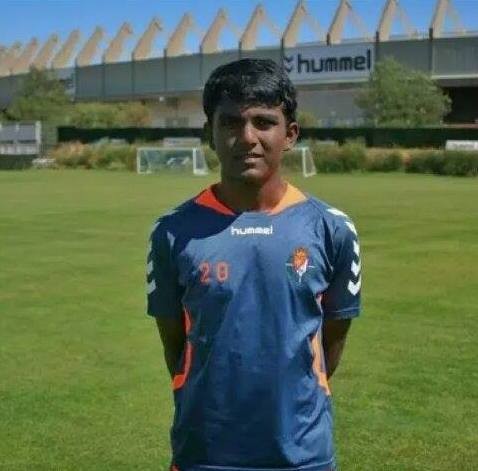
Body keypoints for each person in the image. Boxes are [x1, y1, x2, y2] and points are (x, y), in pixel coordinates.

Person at [146, 58, 361, 471]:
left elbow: (331, 340)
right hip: (205, 452)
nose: (247, 138)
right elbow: (176, 347)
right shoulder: (172, 232)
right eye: (230, 122)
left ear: (290, 134)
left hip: (301, 454)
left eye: (264, 122)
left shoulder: (332, 229)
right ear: (210, 134)